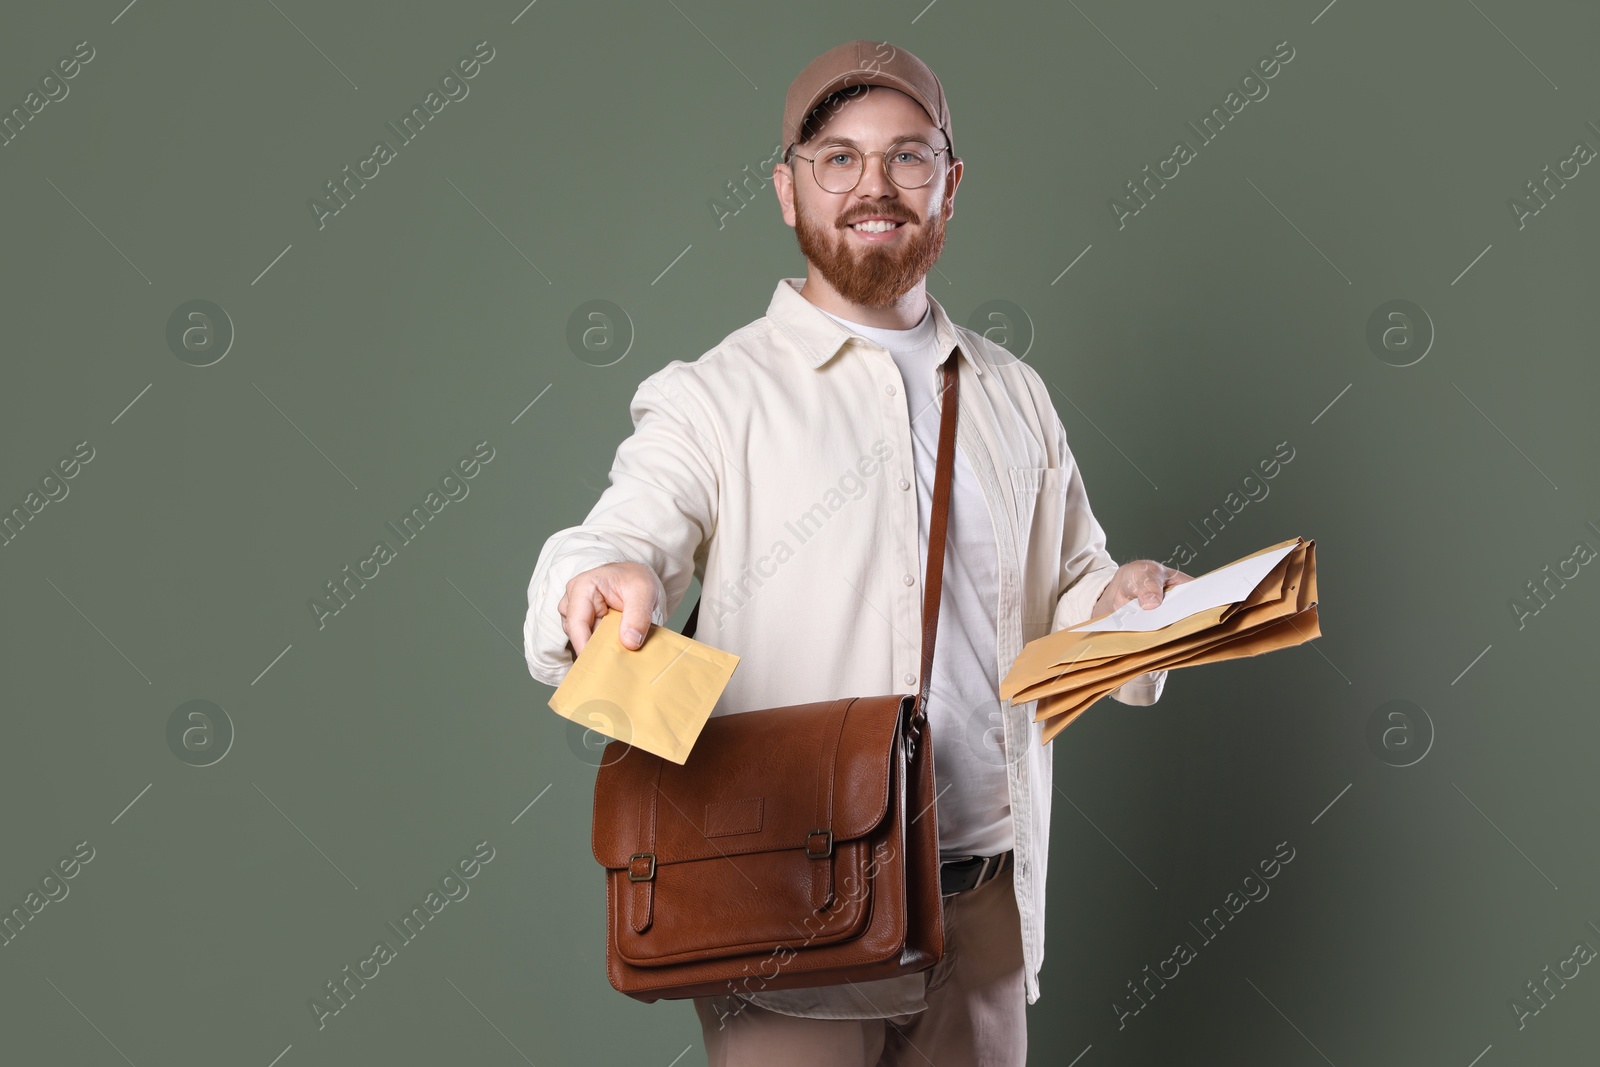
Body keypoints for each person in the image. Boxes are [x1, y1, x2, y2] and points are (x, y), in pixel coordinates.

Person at [524, 38, 1193, 1067]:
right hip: (786, 909)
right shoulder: (716, 396)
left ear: (950, 185)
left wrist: (1129, 601)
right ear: (788, 191)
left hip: (985, 913)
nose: (873, 187)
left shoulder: (1014, 395)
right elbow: (622, 529)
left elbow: (1069, 590)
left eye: (907, 156)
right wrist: (596, 576)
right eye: (836, 158)